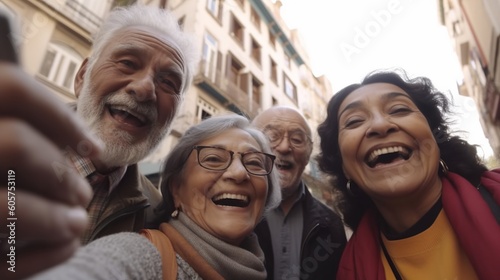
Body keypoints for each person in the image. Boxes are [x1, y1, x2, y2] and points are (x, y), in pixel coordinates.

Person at [30, 114, 282, 280]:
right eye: (213, 159)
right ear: (175, 190)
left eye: (254, 162)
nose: (239, 173)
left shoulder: (262, 270)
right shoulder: (140, 255)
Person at [316, 69, 500, 280]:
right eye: (354, 121)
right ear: (344, 167)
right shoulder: (350, 270)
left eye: (399, 109)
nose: (380, 125)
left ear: (434, 137)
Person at [69, 4, 198, 244]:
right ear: (82, 76)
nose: (144, 89)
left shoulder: (157, 218)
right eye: (127, 63)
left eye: (169, 82)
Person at [252, 106, 347, 280]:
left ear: (309, 152)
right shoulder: (228, 209)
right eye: (272, 136)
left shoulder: (331, 225)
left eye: (297, 139)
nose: (285, 147)